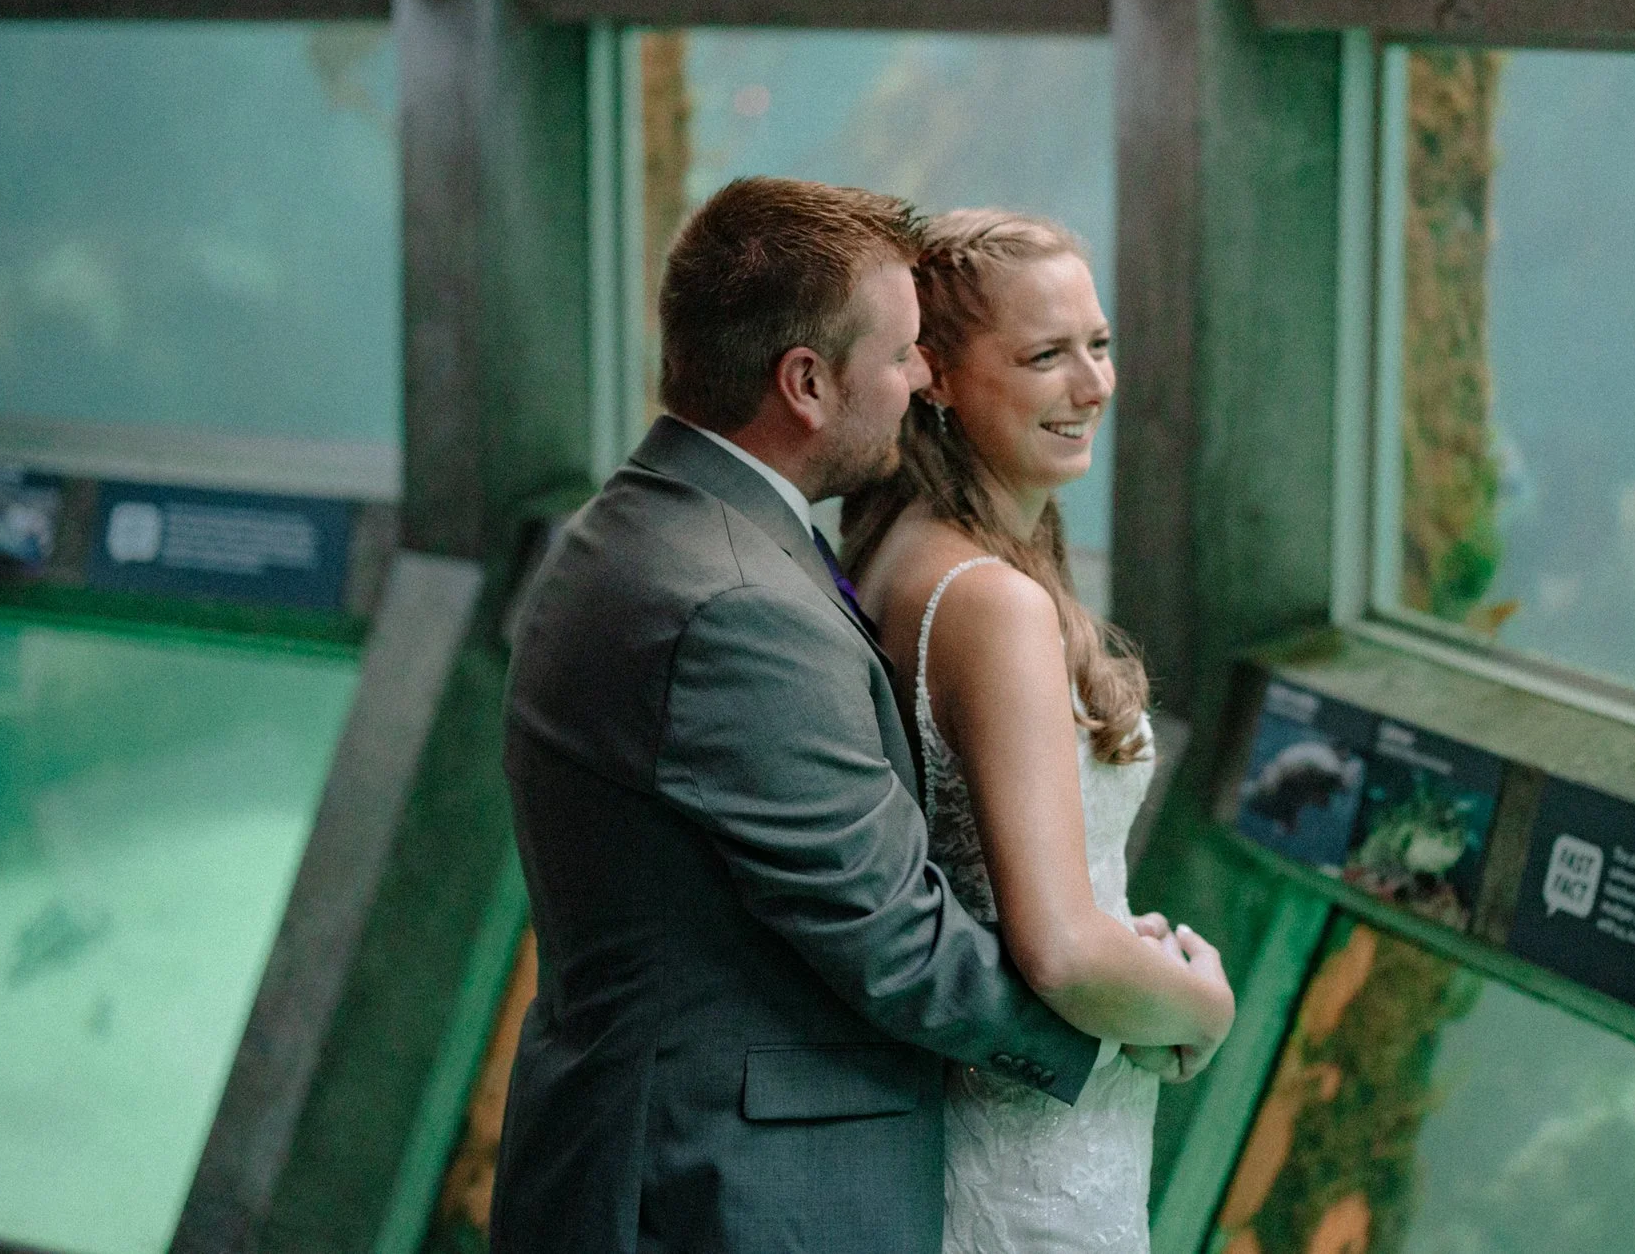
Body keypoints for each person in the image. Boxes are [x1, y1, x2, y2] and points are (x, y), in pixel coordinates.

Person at [492, 179, 1109, 1254]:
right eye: (905, 352)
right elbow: (890, 937)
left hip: (638, 1151)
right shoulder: (738, 605)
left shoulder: (639, 527)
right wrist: (1111, 1042)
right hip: (729, 1193)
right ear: (808, 382)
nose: (922, 381)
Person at [843, 210, 1235, 1254]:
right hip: (1030, 1155)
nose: (1094, 384)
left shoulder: (901, 546)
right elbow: (1058, 949)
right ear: (936, 374)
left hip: (996, 1122)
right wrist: (1202, 1007)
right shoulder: (990, 602)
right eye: (1044, 355)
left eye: (1098, 344)